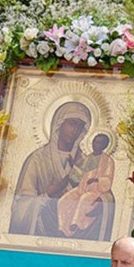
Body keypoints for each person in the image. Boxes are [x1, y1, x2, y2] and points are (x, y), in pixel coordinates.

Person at [10, 101, 95, 239]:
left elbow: (99, 195)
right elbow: (21, 209)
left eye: (80, 126)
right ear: (58, 124)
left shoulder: (85, 162)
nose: (75, 131)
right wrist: (48, 195)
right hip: (39, 235)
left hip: (74, 235)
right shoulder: (37, 159)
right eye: (72, 123)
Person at [58, 132, 116, 238]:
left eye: (99, 143)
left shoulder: (108, 160)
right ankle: (63, 228)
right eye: (94, 141)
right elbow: (79, 175)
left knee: (84, 199)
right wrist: (73, 166)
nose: (95, 145)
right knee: (64, 199)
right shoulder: (87, 158)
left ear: (104, 146)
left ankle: (75, 224)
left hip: (96, 191)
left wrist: (96, 179)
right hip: (81, 188)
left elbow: (108, 178)